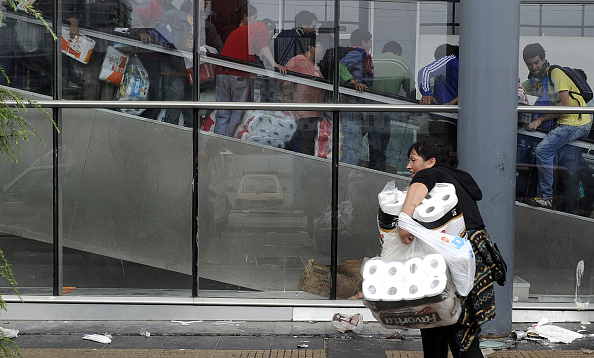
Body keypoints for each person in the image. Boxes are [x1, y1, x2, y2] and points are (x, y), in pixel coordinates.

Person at [398, 138, 507, 358]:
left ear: (431, 162)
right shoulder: (461, 178)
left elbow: (419, 186)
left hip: (455, 260)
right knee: (439, 321)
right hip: (475, 255)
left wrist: (404, 221)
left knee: (457, 329)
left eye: (413, 160)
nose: (409, 166)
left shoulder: (430, 174)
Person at [522, 43, 592, 209]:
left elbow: (564, 106)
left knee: (543, 150)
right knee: (555, 158)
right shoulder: (542, 78)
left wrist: (540, 119)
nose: (533, 67)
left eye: (537, 62)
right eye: (529, 64)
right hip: (570, 122)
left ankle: (546, 197)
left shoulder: (556, 74)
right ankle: (560, 200)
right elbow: (528, 89)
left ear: (544, 59)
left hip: (576, 122)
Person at [213, 4, 285, 137]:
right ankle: (228, 142)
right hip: (238, 75)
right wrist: (274, 62)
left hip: (222, 74)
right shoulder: (261, 27)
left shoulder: (239, 32)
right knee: (237, 112)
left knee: (223, 112)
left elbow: (255, 48)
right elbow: (261, 43)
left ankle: (217, 141)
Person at [367, 41, 414, 171]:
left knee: (372, 141)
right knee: (383, 142)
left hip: (367, 108)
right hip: (386, 109)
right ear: (398, 53)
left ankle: (373, 167)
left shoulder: (371, 60)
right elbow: (411, 89)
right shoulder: (402, 62)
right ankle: (379, 170)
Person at [279, 32, 325, 155]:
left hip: (313, 113)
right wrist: (289, 105)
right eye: (320, 47)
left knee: (309, 146)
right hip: (301, 114)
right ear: (311, 47)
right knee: (304, 148)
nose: (322, 50)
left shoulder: (316, 66)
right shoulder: (298, 60)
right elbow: (286, 81)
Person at [338, 28, 374, 165]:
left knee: (354, 141)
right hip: (351, 102)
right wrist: (353, 81)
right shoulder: (357, 54)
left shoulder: (360, 55)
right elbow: (341, 66)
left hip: (355, 103)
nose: (370, 45)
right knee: (352, 142)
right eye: (369, 42)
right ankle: (347, 170)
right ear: (363, 42)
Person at [417, 44, 459, 149]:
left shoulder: (452, 60)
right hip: (450, 117)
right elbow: (425, 72)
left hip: (448, 117)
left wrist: (426, 93)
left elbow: (425, 72)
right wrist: (427, 93)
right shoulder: (455, 61)